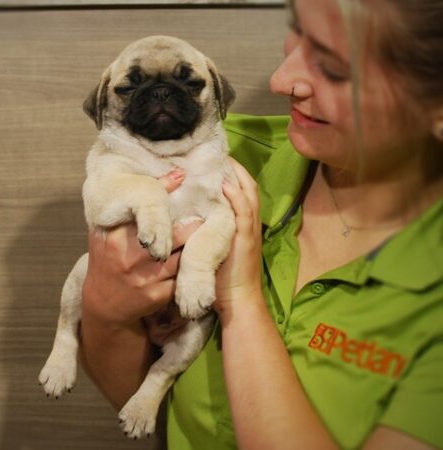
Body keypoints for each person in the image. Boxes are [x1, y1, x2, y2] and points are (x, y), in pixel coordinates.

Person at [78, 0, 443, 448]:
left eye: (333, 66)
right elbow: (141, 402)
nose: (281, 80)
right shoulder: (217, 152)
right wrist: (104, 307)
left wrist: (241, 300)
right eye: (297, 37)